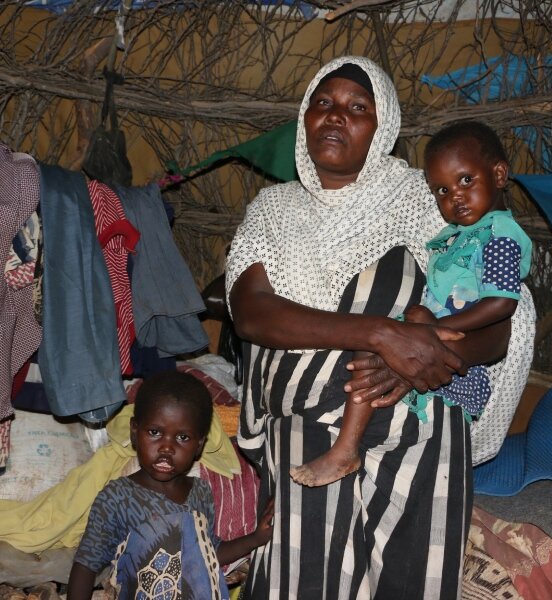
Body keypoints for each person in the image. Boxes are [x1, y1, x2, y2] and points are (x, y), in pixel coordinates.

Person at [226, 56, 535, 599]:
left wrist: (426, 362)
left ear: (383, 126)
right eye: (322, 103)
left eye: (357, 108)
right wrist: (381, 335)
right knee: (303, 577)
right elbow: (251, 312)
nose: (335, 117)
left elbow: (497, 312)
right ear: (304, 118)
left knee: (407, 579)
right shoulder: (273, 209)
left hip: (422, 415)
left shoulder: (427, 198)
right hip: (308, 419)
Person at [291, 120, 532, 487]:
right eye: (442, 190)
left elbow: (502, 304)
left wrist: (437, 328)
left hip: (459, 366)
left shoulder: (499, 236)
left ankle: (352, 453)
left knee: (383, 366)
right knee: (370, 346)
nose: (455, 197)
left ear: (498, 174)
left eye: (466, 180)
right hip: (434, 337)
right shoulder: (458, 238)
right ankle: (347, 449)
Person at [66, 371, 273, 600]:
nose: (167, 448)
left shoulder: (201, 491)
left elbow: (208, 554)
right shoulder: (118, 497)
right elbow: (86, 565)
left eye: (183, 437)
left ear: (199, 445)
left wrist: (256, 538)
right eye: (155, 432)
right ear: (135, 432)